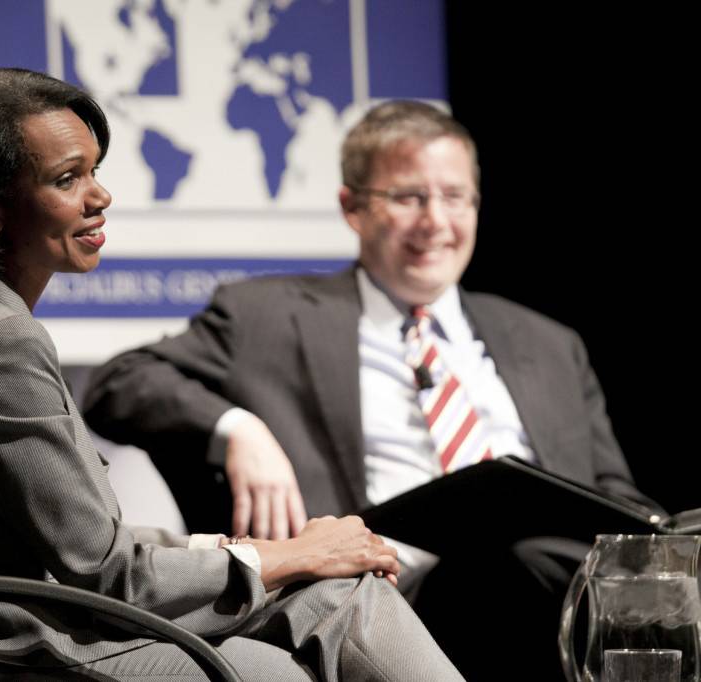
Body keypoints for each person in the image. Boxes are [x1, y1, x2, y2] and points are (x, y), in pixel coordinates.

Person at [0, 69, 463, 681]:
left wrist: (242, 551)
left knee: (339, 591)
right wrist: (292, 552)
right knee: (280, 661)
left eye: (95, 170)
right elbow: (107, 572)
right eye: (67, 179)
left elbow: (82, 540)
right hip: (5, 644)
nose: (100, 196)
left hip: (26, 615)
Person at [82, 100, 661, 679]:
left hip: (558, 596)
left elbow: (616, 496)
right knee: (503, 569)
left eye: (455, 197)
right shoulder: (267, 316)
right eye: (409, 197)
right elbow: (119, 383)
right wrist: (238, 429)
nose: (436, 221)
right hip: (383, 600)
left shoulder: (549, 342)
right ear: (352, 207)